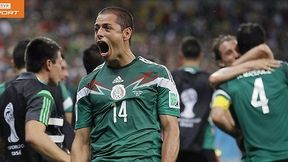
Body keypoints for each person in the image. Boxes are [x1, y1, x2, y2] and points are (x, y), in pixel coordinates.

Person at [71, 6, 180, 162]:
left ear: (126, 33)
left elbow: (171, 129)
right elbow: (81, 142)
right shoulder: (87, 84)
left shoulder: (157, 74)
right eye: (97, 29)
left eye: (107, 28)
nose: (99, 34)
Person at [211, 23, 288, 162]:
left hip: (256, 157)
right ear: (220, 62)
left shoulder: (227, 85)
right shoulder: (279, 69)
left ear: (241, 49)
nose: (235, 56)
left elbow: (217, 115)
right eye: (229, 53)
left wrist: (238, 134)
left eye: (236, 50)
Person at [0, 37, 70, 162]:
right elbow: (34, 136)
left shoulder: (7, 91)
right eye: (59, 64)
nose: (62, 71)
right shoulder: (42, 93)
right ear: (49, 64)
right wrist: (68, 159)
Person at [172, 36, 217, 162]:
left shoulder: (170, 78)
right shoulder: (211, 81)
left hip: (175, 144)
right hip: (204, 145)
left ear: (180, 55)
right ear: (201, 55)